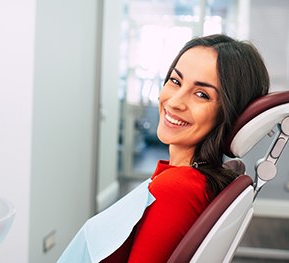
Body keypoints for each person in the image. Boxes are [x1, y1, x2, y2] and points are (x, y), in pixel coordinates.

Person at [57, 34, 269, 263]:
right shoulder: (187, 179)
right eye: (175, 81)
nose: (174, 101)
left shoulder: (178, 189)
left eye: (201, 94)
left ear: (230, 112)